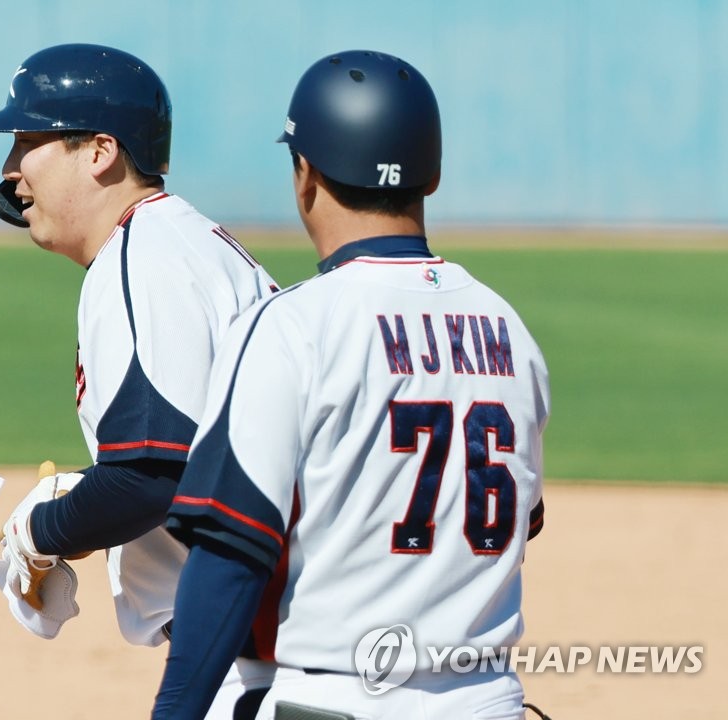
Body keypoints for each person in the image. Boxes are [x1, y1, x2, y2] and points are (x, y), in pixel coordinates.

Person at [152, 50, 551, 720]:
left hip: (337, 698)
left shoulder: (292, 325)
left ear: (305, 174)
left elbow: (230, 551)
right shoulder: (509, 330)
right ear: (434, 174)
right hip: (487, 701)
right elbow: (515, 524)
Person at [0, 44, 279, 716]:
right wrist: (85, 494)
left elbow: (150, 479)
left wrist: (40, 533)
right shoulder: (192, 243)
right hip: (292, 629)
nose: (10, 172)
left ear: (101, 151)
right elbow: (195, 452)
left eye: (28, 141)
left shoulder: (140, 258)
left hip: (253, 655)